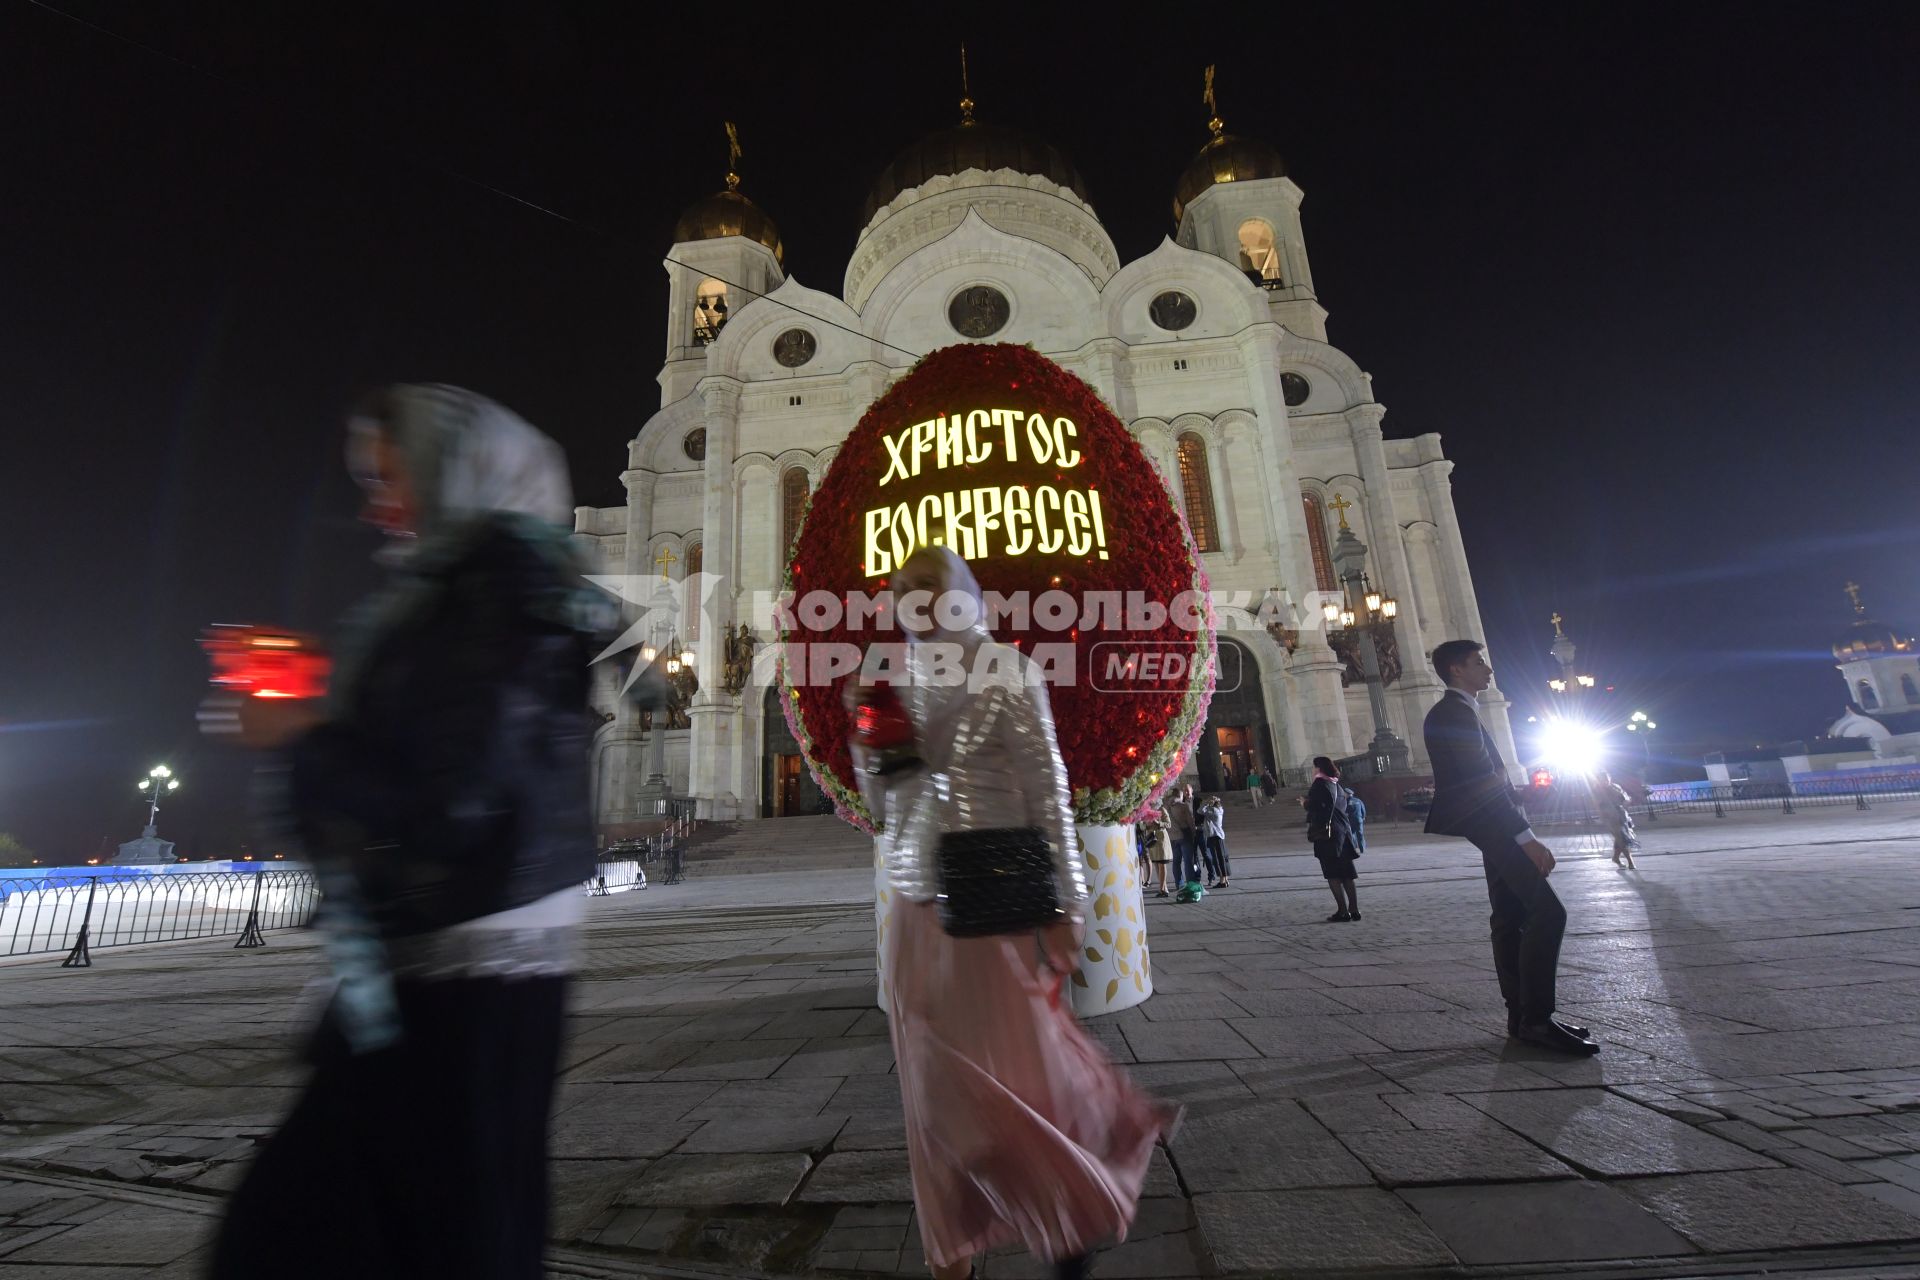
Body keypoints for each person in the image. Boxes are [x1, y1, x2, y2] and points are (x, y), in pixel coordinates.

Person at [208, 384, 600, 1277]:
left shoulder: (503, 587)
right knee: (371, 1225)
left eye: (391, 478)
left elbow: (451, 804)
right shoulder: (458, 586)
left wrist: (304, 735)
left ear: (451, 472)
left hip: (474, 971)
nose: (375, 506)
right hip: (424, 963)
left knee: (431, 1232)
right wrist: (314, 710)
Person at [849, 546, 1177, 1280]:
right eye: (902, 590)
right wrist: (871, 737)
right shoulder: (883, 675)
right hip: (913, 902)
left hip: (988, 899)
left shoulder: (1007, 670)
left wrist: (1069, 901)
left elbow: (1047, 789)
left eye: (928, 586)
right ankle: (952, 1248)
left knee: (1010, 1073)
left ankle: (1065, 1206)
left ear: (961, 592)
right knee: (926, 1086)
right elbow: (881, 805)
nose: (915, 600)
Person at [1423, 639, 1598, 1056]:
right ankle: (1536, 1018)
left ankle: (1521, 1016)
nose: (1487, 669)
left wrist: (1519, 799)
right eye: (1478, 662)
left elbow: (1487, 777)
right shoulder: (1452, 714)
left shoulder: (1460, 710)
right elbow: (1479, 780)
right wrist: (1525, 836)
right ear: (1456, 670)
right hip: (1492, 823)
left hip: (1490, 820)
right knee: (1548, 912)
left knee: (1509, 914)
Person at [1304, 757, 1360, 921]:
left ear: (1318, 768)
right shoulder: (1337, 785)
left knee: (1333, 875)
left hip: (1328, 836)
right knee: (1347, 874)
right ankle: (1354, 910)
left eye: (1313, 767)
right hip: (1344, 834)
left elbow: (1317, 807)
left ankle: (1343, 911)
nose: (1313, 771)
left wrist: (1305, 804)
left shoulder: (1319, 785)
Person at [1595, 770, 1638, 869]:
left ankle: (1616, 858)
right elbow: (1597, 805)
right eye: (1602, 779)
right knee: (1621, 838)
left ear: (1609, 778)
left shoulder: (1615, 786)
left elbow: (1625, 798)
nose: (1604, 781)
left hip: (1621, 815)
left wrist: (1626, 801)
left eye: (1606, 779)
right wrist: (1603, 815)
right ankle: (1630, 861)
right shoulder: (1597, 790)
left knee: (1621, 838)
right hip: (1609, 817)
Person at [1165, 783, 1201, 895]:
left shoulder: (1166, 806)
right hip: (1184, 834)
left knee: (1176, 861)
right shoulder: (1183, 806)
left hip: (1172, 836)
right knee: (1188, 860)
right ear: (1179, 795)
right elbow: (1190, 821)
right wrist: (1193, 832)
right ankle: (1190, 882)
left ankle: (1178, 883)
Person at [1198, 793, 1230, 888]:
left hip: (1215, 837)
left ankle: (1222, 880)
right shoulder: (1219, 810)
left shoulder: (1213, 811)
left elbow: (1200, 811)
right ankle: (1226, 879)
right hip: (1218, 836)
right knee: (1221, 858)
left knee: (1218, 859)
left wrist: (1206, 803)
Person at [1345, 784, 1369, 855]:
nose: (1344, 795)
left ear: (1348, 794)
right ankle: (1362, 848)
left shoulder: (1346, 802)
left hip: (1351, 820)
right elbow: (1363, 809)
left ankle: (1355, 847)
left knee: (1352, 834)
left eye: (1345, 794)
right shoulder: (1358, 800)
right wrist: (1363, 817)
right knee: (1360, 834)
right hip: (1359, 820)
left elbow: (1345, 811)